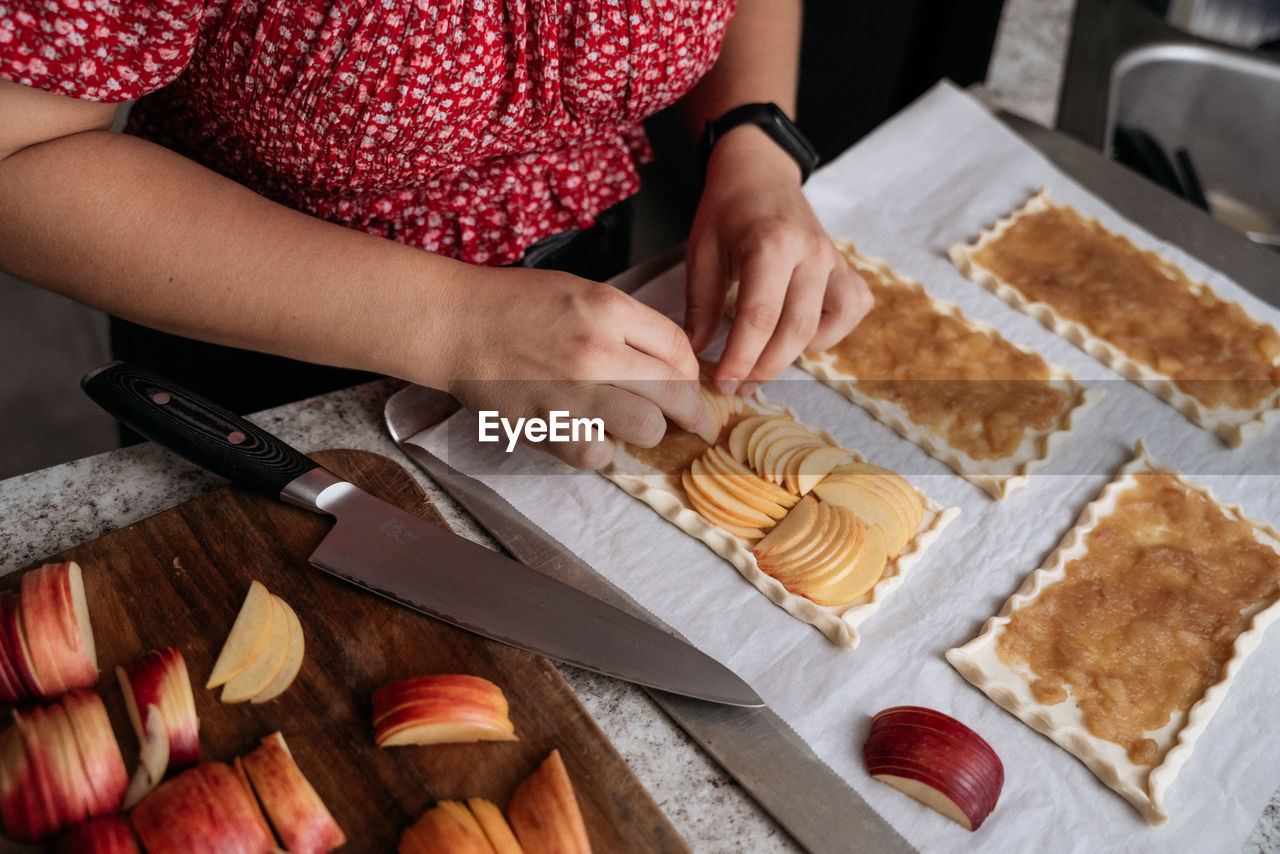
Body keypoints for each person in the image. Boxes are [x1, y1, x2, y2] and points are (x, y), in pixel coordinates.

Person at [0, 0, 871, 468]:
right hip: (259, 333)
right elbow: (18, 160)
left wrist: (755, 142)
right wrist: (453, 324)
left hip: (588, 289)